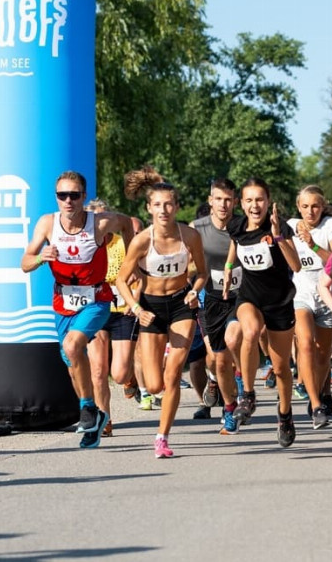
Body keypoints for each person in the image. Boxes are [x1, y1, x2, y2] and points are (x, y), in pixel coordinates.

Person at [20, 171, 134, 449]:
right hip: (63, 303)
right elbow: (24, 262)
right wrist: (39, 258)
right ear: (56, 198)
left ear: (84, 197)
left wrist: (131, 263)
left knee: (73, 347)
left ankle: (87, 408)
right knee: (72, 363)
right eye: (62, 195)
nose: (68, 201)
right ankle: (93, 416)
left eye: (74, 195)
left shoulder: (101, 222)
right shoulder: (47, 223)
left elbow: (128, 224)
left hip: (96, 299)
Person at [115, 167, 209, 458]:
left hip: (181, 304)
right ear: (149, 208)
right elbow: (121, 278)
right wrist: (135, 307)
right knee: (154, 384)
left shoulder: (190, 236)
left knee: (171, 378)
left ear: (177, 206)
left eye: (169, 204)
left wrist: (195, 290)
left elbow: (203, 273)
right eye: (157, 205)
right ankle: (140, 378)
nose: (164, 209)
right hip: (152, 310)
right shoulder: (143, 240)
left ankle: (162, 437)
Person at [225, 179, 303, 448]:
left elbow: (297, 266)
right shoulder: (235, 225)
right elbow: (236, 244)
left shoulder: (280, 227)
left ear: (268, 202)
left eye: (259, 200)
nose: (254, 205)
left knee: (281, 369)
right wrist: (227, 267)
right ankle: (247, 394)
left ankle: (284, 414)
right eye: (249, 200)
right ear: (241, 203)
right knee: (250, 331)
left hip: (280, 302)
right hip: (250, 297)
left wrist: (278, 237)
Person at [191, 178, 248, 435]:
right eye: (218, 199)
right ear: (210, 201)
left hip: (242, 297)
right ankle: (229, 407)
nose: (224, 204)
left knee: (233, 338)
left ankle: (241, 381)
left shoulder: (244, 226)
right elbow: (185, 262)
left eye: (228, 199)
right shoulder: (197, 228)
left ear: (235, 202)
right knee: (217, 360)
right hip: (211, 298)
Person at [85, 198, 142, 437]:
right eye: (95, 221)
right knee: (98, 370)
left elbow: (140, 277)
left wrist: (134, 301)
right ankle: (104, 418)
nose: (101, 225)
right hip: (95, 310)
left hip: (122, 311)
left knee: (118, 373)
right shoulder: (85, 246)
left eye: (104, 219)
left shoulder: (122, 243)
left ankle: (130, 379)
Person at [290, 185, 332, 429]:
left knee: (323, 355)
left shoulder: (330, 225)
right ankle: (316, 404)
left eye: (315, 206)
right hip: (301, 295)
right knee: (306, 344)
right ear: (298, 207)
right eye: (305, 206)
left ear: (323, 206)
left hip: (327, 298)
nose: (310, 211)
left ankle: (318, 395)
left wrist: (311, 244)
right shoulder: (290, 226)